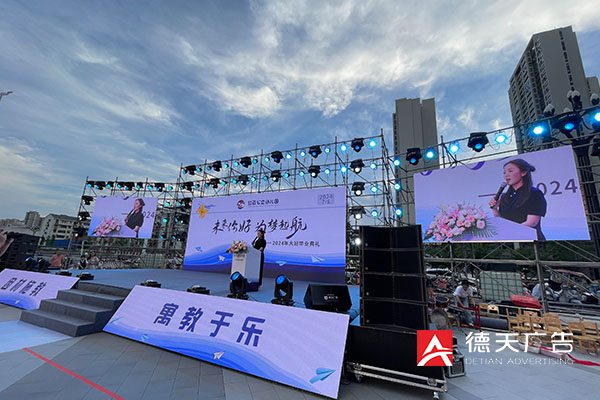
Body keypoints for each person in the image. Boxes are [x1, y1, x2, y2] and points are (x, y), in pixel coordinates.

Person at [489, 159, 547, 240]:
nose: (506, 175)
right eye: (504, 172)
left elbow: (532, 222)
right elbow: (501, 222)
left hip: (530, 241)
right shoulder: (504, 196)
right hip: (509, 241)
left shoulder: (534, 193)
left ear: (523, 173)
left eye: (510, 171)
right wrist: (495, 209)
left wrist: (510, 233)